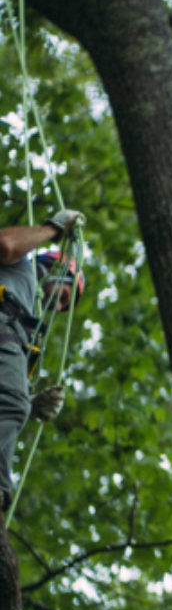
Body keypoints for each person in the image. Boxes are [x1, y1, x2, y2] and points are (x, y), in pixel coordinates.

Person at [0, 209, 86, 511]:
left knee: (16, 404)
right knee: (13, 403)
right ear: (56, 267)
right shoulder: (22, 268)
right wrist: (54, 229)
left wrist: (31, 404)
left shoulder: (28, 316)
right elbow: (6, 244)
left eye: (66, 305)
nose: (60, 307)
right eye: (65, 295)